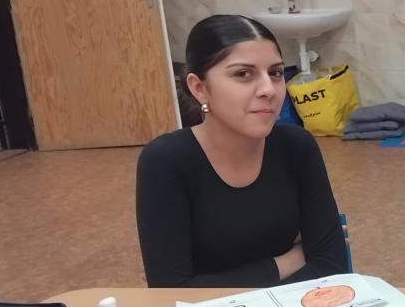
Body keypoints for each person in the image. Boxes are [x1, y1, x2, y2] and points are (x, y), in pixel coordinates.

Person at [136, 15, 349, 288]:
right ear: (199, 88)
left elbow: (331, 265)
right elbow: (171, 290)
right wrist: (289, 260)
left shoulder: (296, 146)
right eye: (243, 74)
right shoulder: (167, 161)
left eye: (275, 73)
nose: (268, 90)